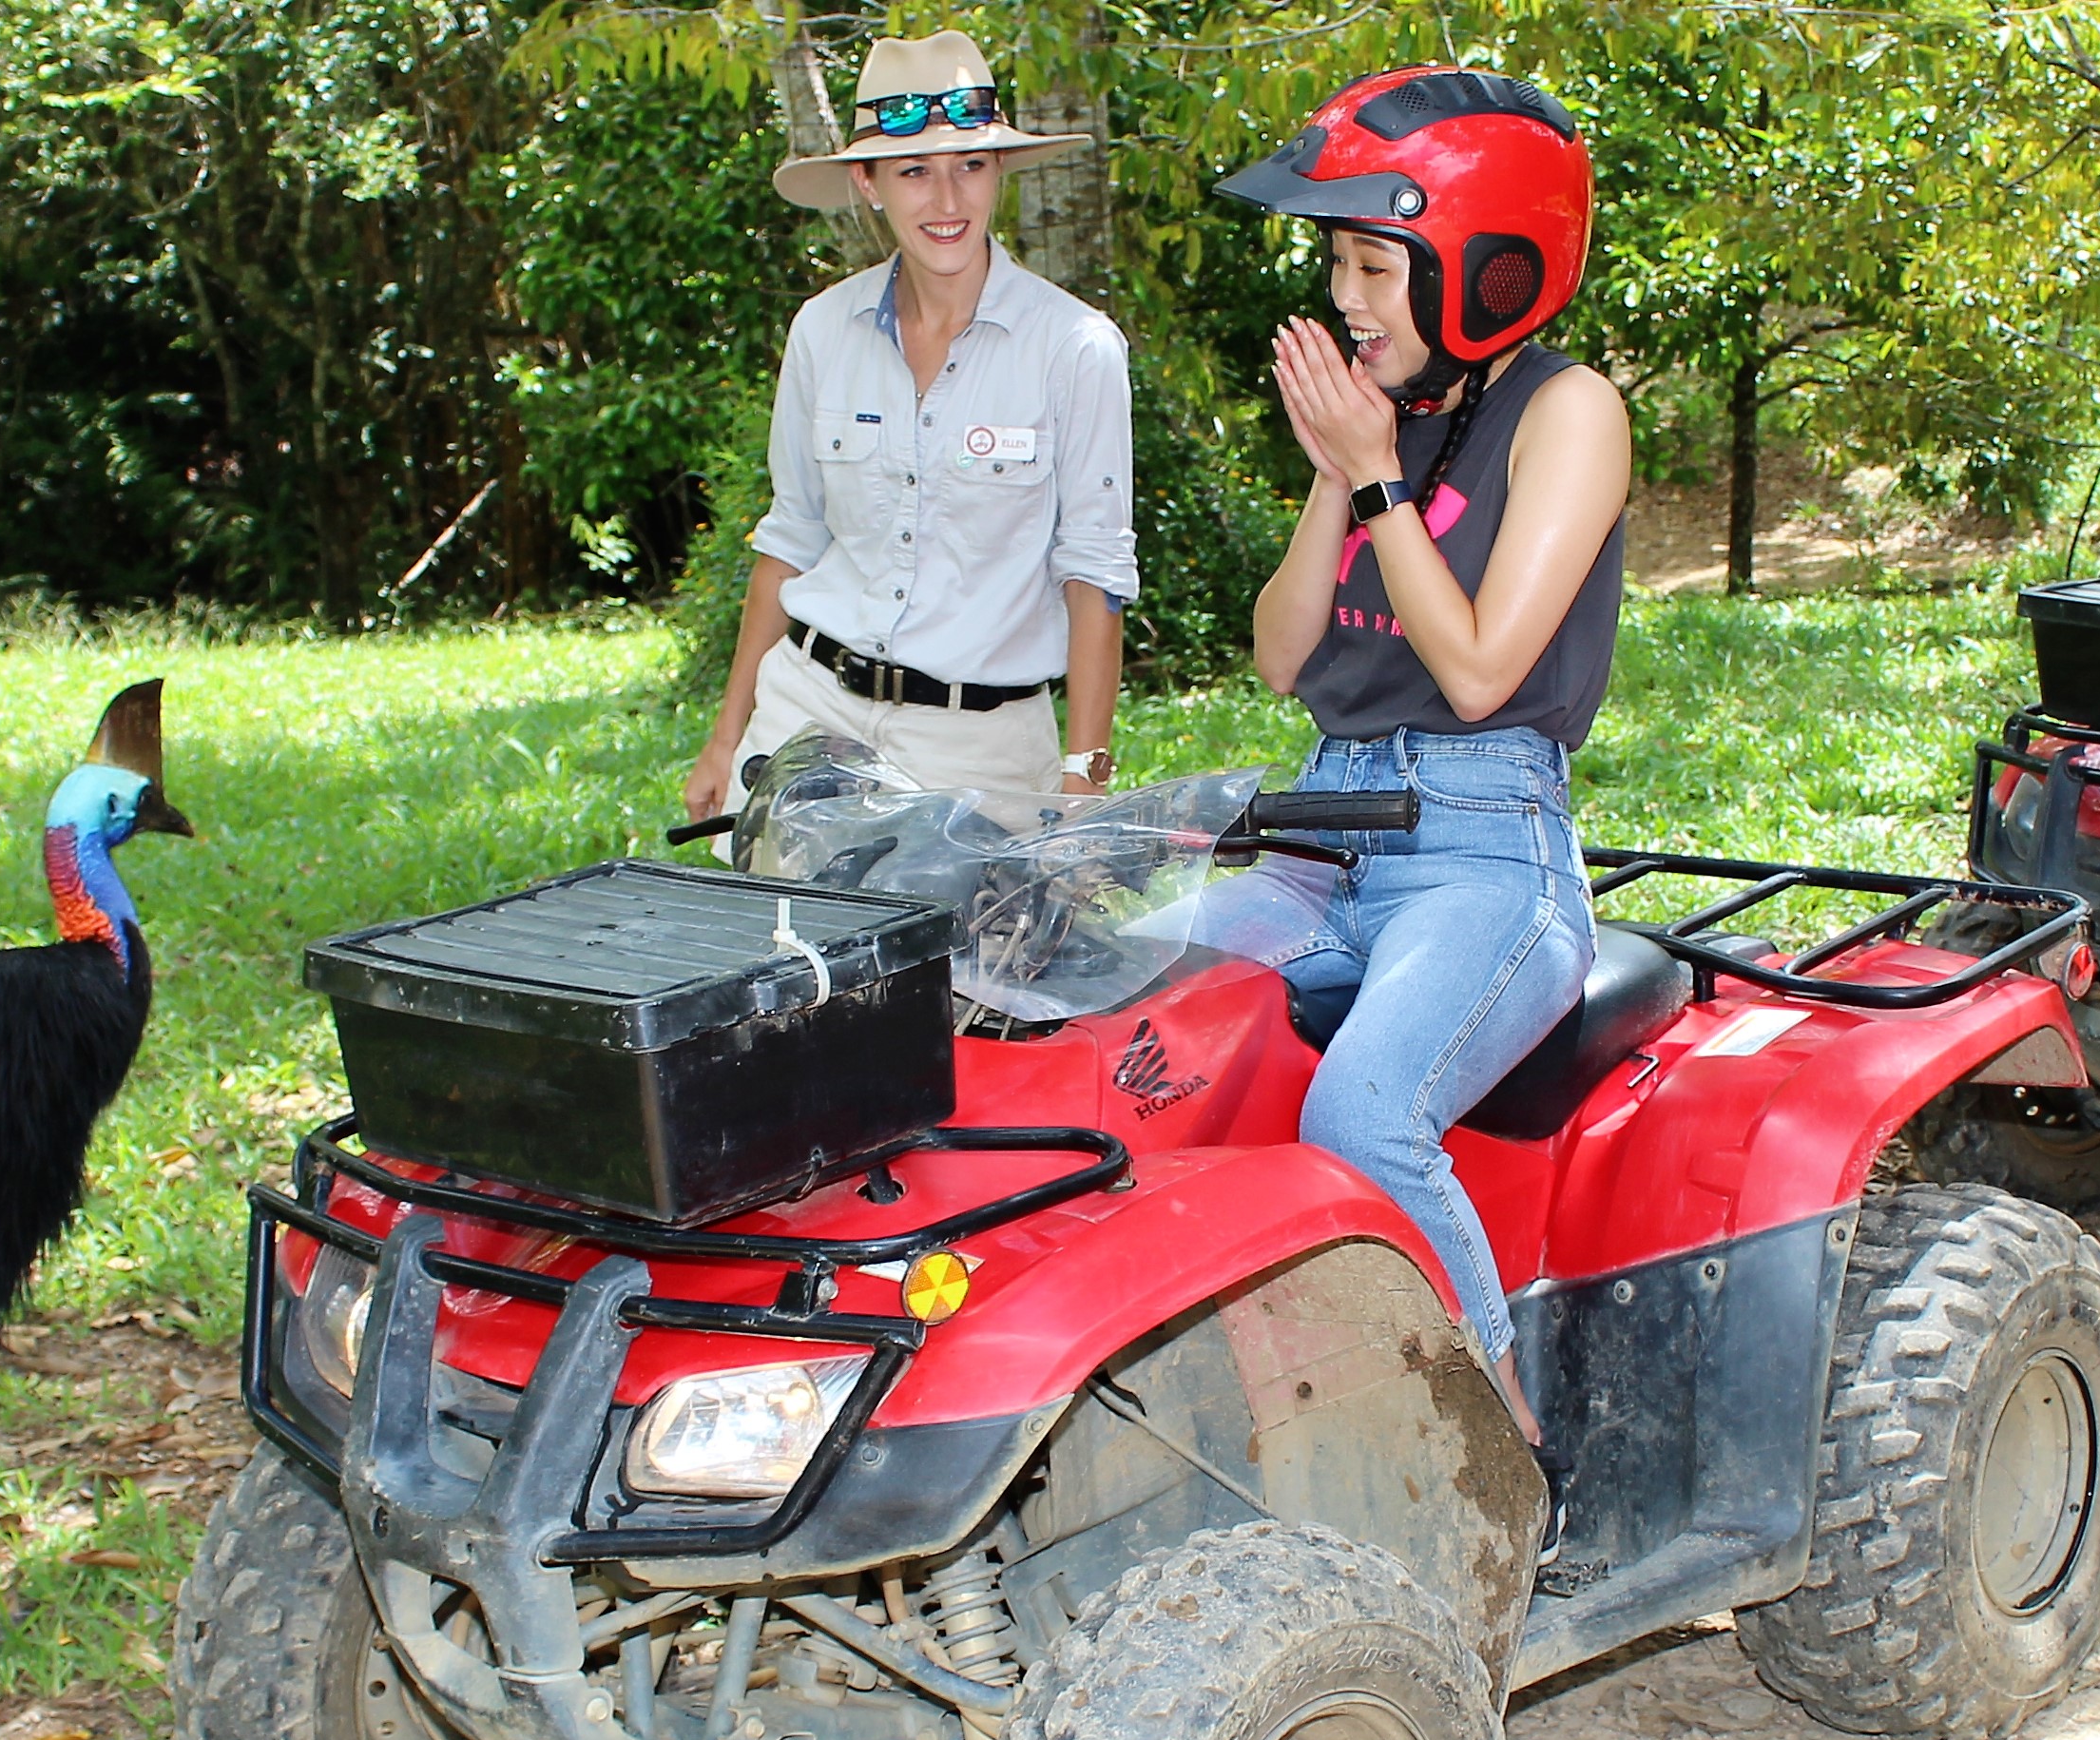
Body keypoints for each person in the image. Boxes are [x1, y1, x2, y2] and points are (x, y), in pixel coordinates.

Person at [1210, 68, 1629, 1554]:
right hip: (1326, 826)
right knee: (1126, 1036)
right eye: (1335, 266)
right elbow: (1279, 658)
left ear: (1487, 265)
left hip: (1479, 842)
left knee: (1365, 1112)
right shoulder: (1391, 422)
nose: (1346, 298)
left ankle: (1507, 1463)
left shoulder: (1564, 412)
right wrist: (1339, 472)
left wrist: (1381, 477)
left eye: (1371, 264)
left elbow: (1476, 671)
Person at [683, 29, 1138, 828]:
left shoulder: (1075, 347)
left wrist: (1083, 780)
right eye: (914, 172)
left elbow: (1095, 573)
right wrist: (726, 739)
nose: (947, 200)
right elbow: (789, 538)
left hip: (980, 744)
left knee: (973, 956)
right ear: (867, 183)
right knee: (782, 949)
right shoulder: (822, 330)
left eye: (969, 166)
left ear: (999, 172)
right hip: (808, 713)